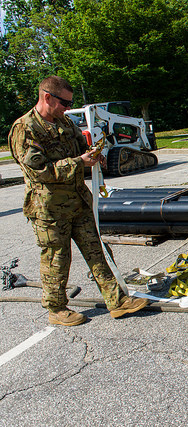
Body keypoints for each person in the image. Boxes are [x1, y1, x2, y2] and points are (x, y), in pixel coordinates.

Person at [8, 75, 148, 326]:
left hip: (78, 200)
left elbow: (79, 149)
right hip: (48, 208)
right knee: (56, 259)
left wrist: (93, 156)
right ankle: (57, 309)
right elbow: (39, 171)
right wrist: (78, 163)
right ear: (47, 97)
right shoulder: (25, 128)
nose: (67, 108)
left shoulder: (64, 122)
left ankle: (116, 301)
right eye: (63, 103)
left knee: (97, 250)